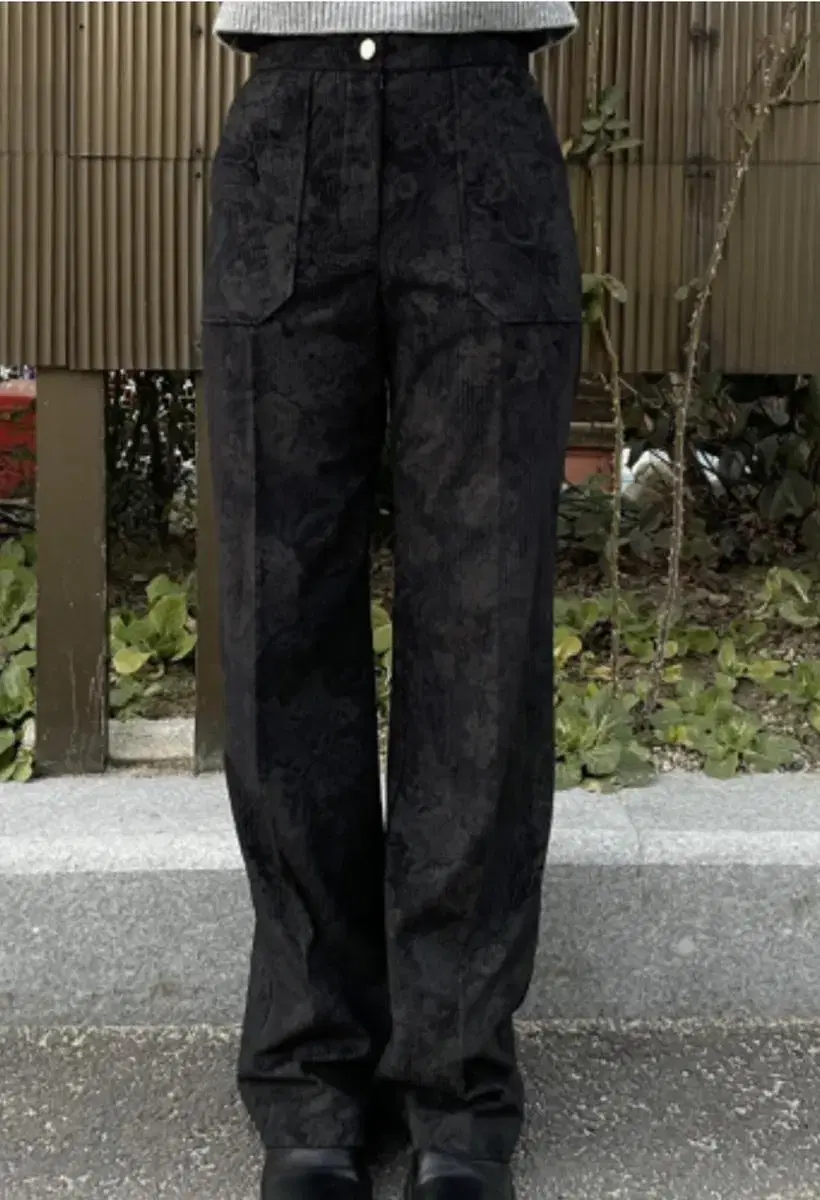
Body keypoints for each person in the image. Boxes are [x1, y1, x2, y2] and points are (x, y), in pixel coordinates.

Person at [202, 4, 581, 1198]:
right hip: (288, 114)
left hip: (481, 112)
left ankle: (458, 1088)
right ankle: (309, 1073)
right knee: (278, 619)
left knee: (483, 624)